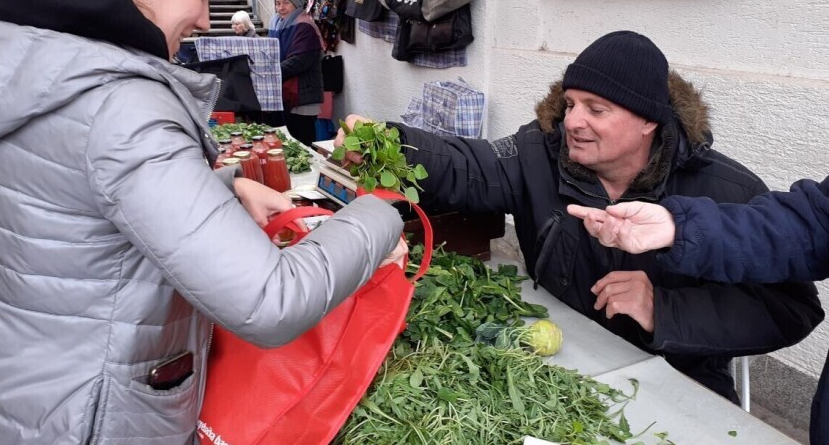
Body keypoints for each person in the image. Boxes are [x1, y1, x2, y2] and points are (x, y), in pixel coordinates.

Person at [0, 0, 406, 444]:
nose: (205, 18)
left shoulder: (28, 59)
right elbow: (270, 301)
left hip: (5, 392)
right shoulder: (119, 103)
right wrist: (380, 214)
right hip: (84, 420)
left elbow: (74, 206)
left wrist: (224, 187)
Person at [335, 31, 824, 404]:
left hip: (677, 381)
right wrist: (389, 141)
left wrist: (664, 309)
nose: (572, 121)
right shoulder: (540, 152)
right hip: (554, 362)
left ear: (649, 120)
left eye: (596, 108)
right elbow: (469, 164)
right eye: (570, 104)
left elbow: (792, 309)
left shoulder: (727, 192)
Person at [568, 177, 829, 445]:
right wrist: (678, 229)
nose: (573, 131)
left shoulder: (728, 184)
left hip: (682, 397)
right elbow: (810, 226)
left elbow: (790, 309)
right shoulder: (533, 152)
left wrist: (664, 310)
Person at [269, 0, 324, 147]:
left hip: (302, 94)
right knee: (286, 142)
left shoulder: (305, 26)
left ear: (297, 3)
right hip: (285, 92)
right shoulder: (277, 24)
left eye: (286, 2)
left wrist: (269, 72)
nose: (281, 7)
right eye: (278, 3)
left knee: (302, 143)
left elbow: (300, 61)